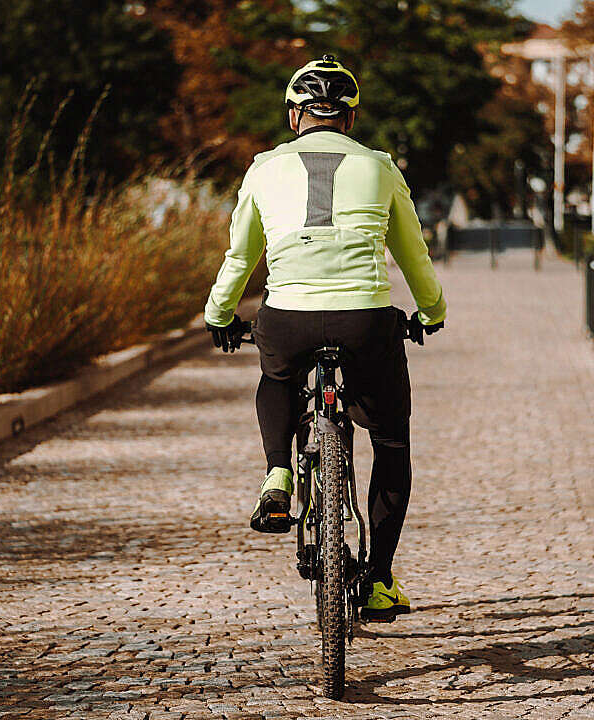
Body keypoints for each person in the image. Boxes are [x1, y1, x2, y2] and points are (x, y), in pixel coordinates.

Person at [203, 55, 445, 622]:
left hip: (287, 317)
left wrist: (218, 316)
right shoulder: (382, 167)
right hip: (364, 320)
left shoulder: (263, 167)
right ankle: (380, 579)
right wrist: (431, 311)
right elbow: (414, 256)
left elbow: (241, 256)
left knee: (277, 373)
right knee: (390, 442)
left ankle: (278, 473)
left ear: (295, 116)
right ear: (351, 120)